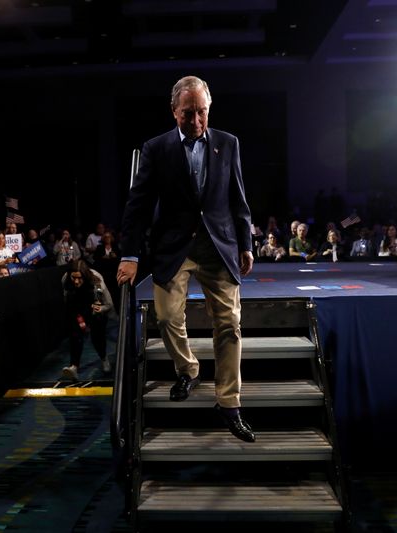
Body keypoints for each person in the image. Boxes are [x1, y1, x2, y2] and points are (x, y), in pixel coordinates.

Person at [117, 75, 256, 443]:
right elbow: (138, 206)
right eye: (187, 113)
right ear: (173, 111)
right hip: (174, 248)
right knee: (165, 316)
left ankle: (229, 403)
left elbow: (237, 198)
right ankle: (188, 369)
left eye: (201, 112)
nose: (195, 121)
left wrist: (246, 243)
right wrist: (129, 255)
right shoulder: (156, 148)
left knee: (229, 324)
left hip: (218, 246)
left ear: (208, 109)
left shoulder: (228, 144)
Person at [61, 259, 115, 380]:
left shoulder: (97, 281)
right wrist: (78, 318)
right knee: (75, 335)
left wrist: (100, 309)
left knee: (97, 337)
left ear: (85, 276)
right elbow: (67, 299)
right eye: (73, 277)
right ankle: (74, 366)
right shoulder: (66, 279)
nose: (76, 281)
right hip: (78, 305)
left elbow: (109, 304)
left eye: (79, 278)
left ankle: (104, 359)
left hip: (96, 308)